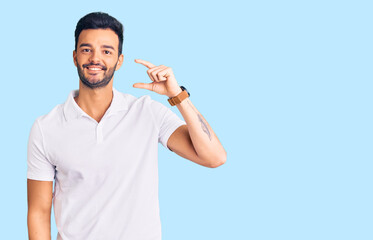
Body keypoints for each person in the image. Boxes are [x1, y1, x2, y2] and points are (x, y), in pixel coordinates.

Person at [27, 12, 226, 240]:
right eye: (86, 49)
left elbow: (215, 158)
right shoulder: (46, 127)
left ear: (119, 60)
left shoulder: (147, 112)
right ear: (74, 57)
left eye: (106, 51)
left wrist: (177, 95)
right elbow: (38, 212)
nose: (95, 58)